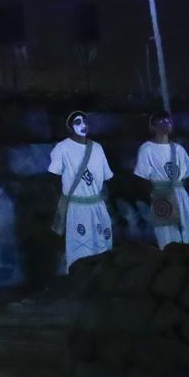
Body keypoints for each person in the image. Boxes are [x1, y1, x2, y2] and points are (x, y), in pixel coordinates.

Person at [47, 110, 115, 270]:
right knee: (80, 247)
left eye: (85, 122)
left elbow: (106, 178)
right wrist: (64, 199)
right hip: (77, 207)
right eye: (78, 122)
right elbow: (54, 176)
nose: (83, 125)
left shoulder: (97, 148)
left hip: (97, 205)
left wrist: (106, 203)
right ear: (69, 127)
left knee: (102, 247)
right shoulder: (62, 148)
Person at [134, 111, 189, 250]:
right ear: (152, 127)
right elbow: (142, 176)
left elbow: (188, 173)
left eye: (169, 121)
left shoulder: (178, 149)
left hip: (180, 195)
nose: (167, 124)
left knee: (187, 230)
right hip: (161, 195)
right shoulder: (147, 149)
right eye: (162, 121)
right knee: (167, 233)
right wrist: (154, 196)